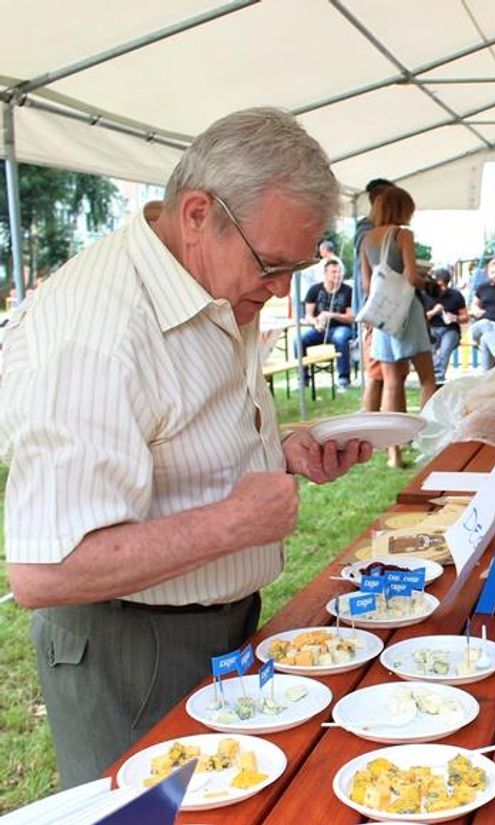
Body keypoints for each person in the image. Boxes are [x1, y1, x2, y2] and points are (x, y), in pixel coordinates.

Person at [0, 107, 372, 787]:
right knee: (151, 812)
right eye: (271, 265)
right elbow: (44, 570)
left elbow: (174, 433)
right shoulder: (101, 330)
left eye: (294, 267)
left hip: (217, 630)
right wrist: (233, 522)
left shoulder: (210, 283)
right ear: (198, 213)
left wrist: (280, 449)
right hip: (128, 651)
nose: (283, 288)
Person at [359, 185, 437, 467]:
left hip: (383, 315)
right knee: (428, 377)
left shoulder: (366, 238)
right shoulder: (403, 235)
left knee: (392, 382)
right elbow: (413, 276)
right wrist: (425, 279)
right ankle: (429, 440)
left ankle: (394, 452)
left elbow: (367, 285)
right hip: (407, 312)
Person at [353, 177, 393, 412]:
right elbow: (370, 280)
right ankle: (370, 425)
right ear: (378, 201)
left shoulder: (370, 231)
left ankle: (373, 426)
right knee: (378, 374)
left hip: (376, 311)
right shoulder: (368, 233)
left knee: (381, 375)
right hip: (373, 312)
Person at [298, 258, 354, 389]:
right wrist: (315, 322)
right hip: (320, 329)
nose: (338, 275)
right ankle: (303, 378)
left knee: (340, 338)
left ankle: (343, 379)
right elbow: (308, 315)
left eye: (339, 272)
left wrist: (332, 315)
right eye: (333, 272)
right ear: (325, 274)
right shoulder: (314, 290)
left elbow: (351, 317)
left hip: (340, 327)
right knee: (298, 340)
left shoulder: (348, 290)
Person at [425, 268, 467, 383]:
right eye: (439, 285)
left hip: (450, 329)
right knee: (429, 347)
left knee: (446, 348)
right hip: (432, 328)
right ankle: (438, 374)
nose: (442, 289)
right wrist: (434, 311)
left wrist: (455, 318)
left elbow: (465, 317)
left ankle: (439, 377)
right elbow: (422, 317)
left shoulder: (455, 295)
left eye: (445, 285)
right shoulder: (427, 294)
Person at [469, 258, 495, 370]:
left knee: (485, 339)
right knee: (485, 323)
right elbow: (473, 306)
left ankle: (486, 376)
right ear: (487, 273)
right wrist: (476, 310)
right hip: (480, 325)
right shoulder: (482, 287)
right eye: (493, 272)